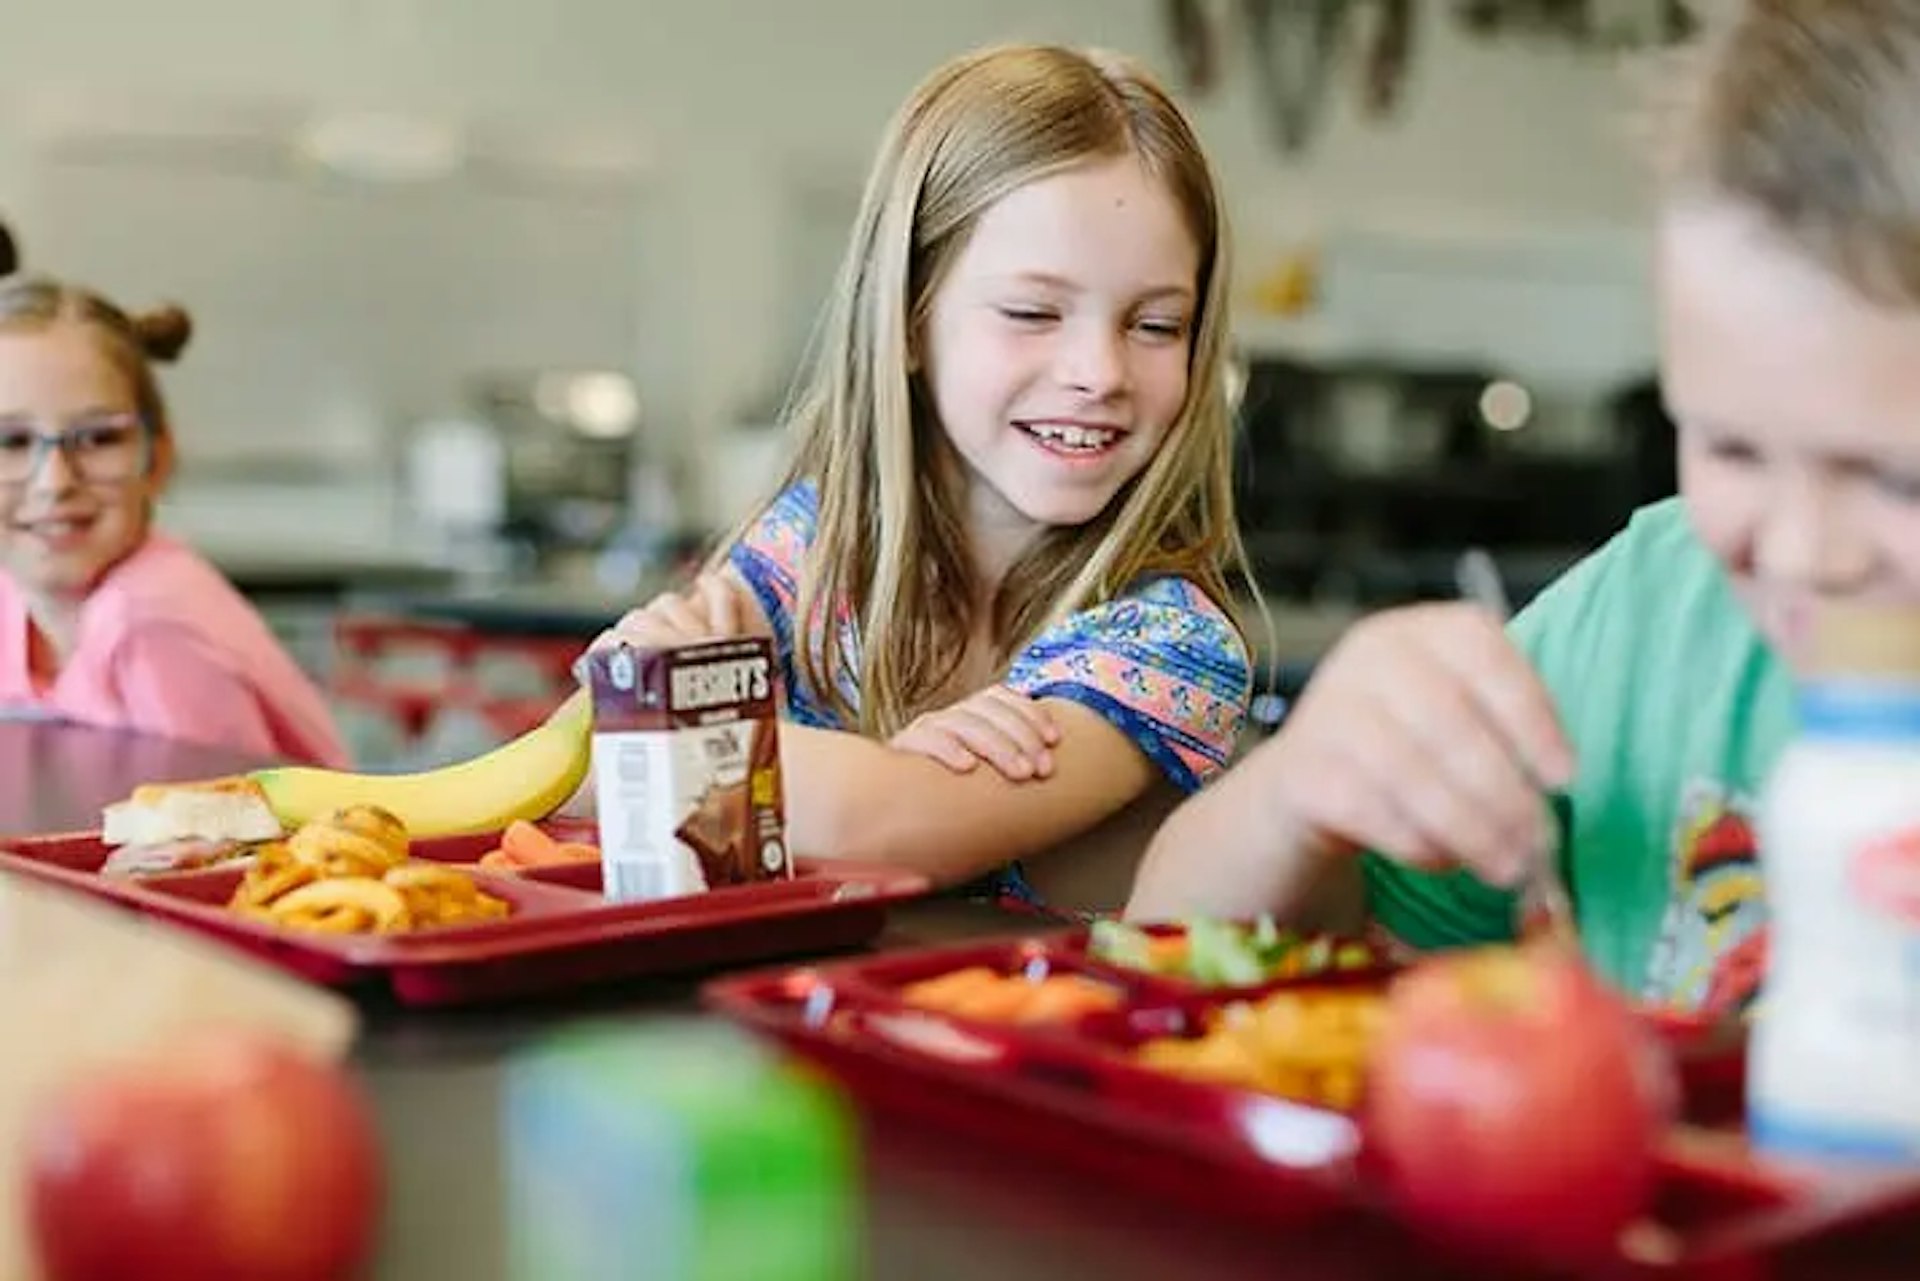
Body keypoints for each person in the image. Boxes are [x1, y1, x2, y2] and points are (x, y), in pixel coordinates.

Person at [1126, 0, 1920, 1020]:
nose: (1806, 552)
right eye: (1731, 446)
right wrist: (1296, 798)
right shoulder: (1647, 616)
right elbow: (1161, 955)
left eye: (1899, 475)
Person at [590, 43, 1255, 911]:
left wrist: (668, 721)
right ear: (906, 318)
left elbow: (892, 825)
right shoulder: (810, 548)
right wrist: (647, 721)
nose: (1100, 370)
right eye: (1032, 312)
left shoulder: (1170, 646)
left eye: (1157, 325)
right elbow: (581, 764)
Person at [0, 275, 349, 766]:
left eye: (100, 439)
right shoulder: (13, 596)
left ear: (158, 458)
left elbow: (220, 830)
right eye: (10, 443)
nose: (54, 481)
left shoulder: (153, 627)